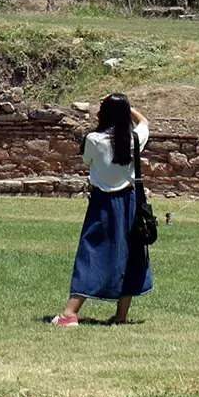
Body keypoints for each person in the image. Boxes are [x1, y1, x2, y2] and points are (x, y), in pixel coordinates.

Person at [53, 93, 152, 326]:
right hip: (130, 202)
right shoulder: (133, 139)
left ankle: (70, 314)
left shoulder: (94, 140)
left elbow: (88, 161)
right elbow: (144, 123)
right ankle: (121, 316)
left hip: (102, 203)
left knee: (91, 254)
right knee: (131, 256)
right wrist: (128, 108)